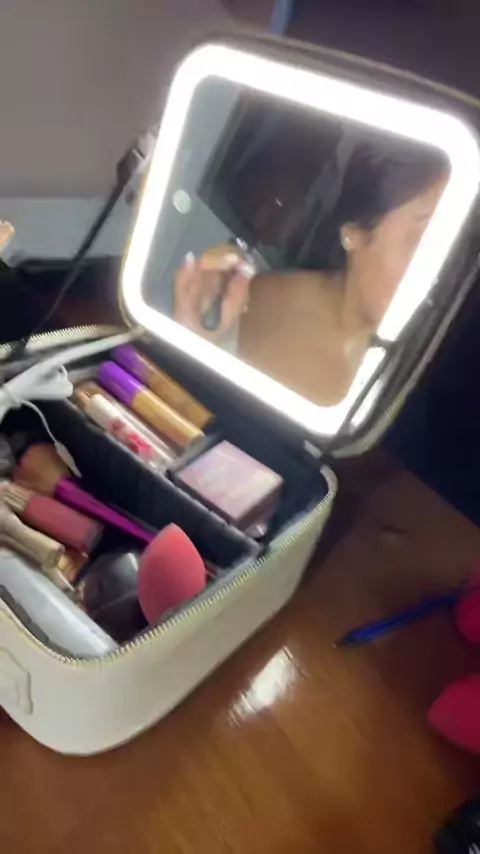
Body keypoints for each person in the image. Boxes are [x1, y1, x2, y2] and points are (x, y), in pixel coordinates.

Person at [173, 138, 448, 406]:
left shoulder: (436, 358)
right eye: (420, 240)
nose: (438, 272)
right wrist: (193, 345)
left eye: (449, 246)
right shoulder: (255, 302)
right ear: (354, 235)